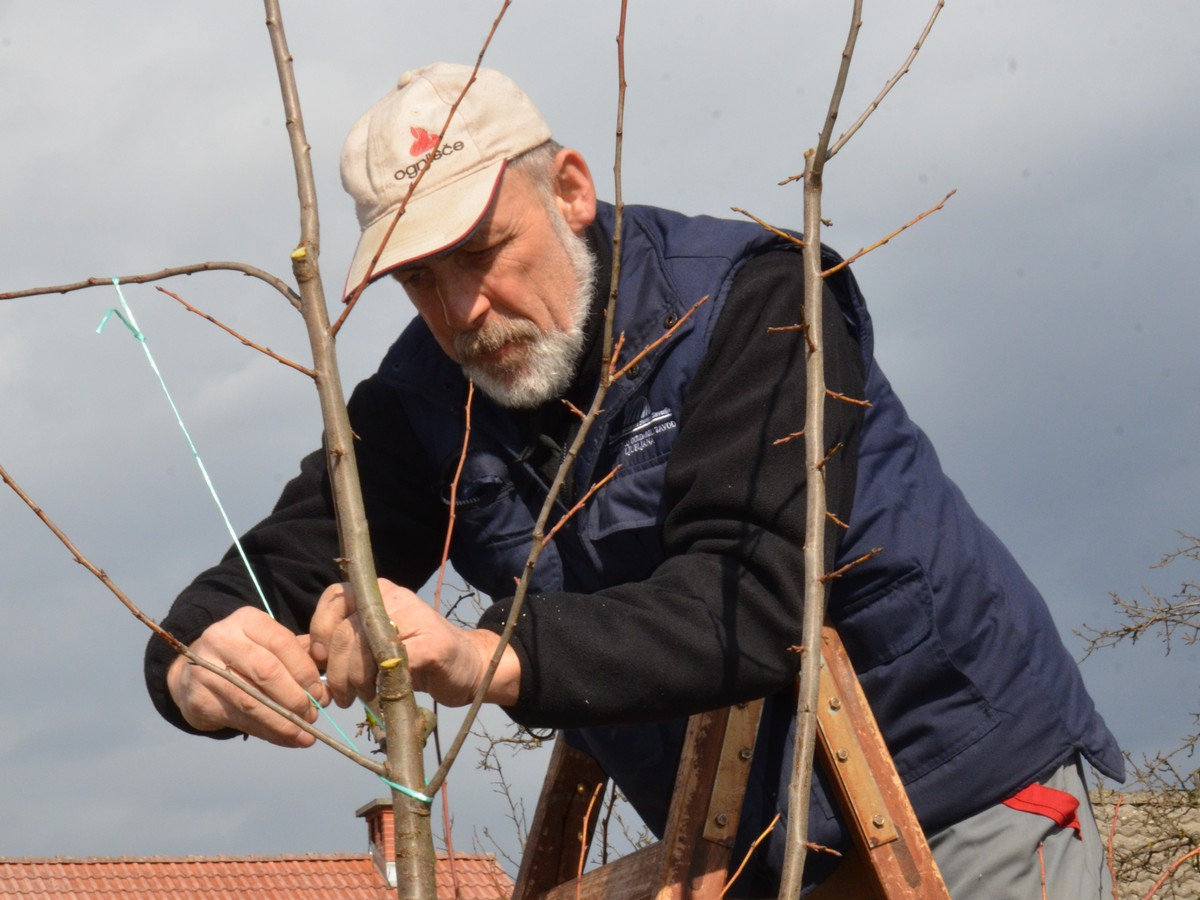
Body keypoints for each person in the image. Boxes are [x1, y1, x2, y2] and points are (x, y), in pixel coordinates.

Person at [145, 63, 1123, 895]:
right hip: (747, 855)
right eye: (417, 278)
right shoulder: (418, 401)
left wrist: (480, 655)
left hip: (963, 793)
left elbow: (753, 593)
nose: (462, 309)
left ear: (570, 189)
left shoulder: (758, 301)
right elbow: (278, 565)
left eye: (482, 253)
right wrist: (197, 658)